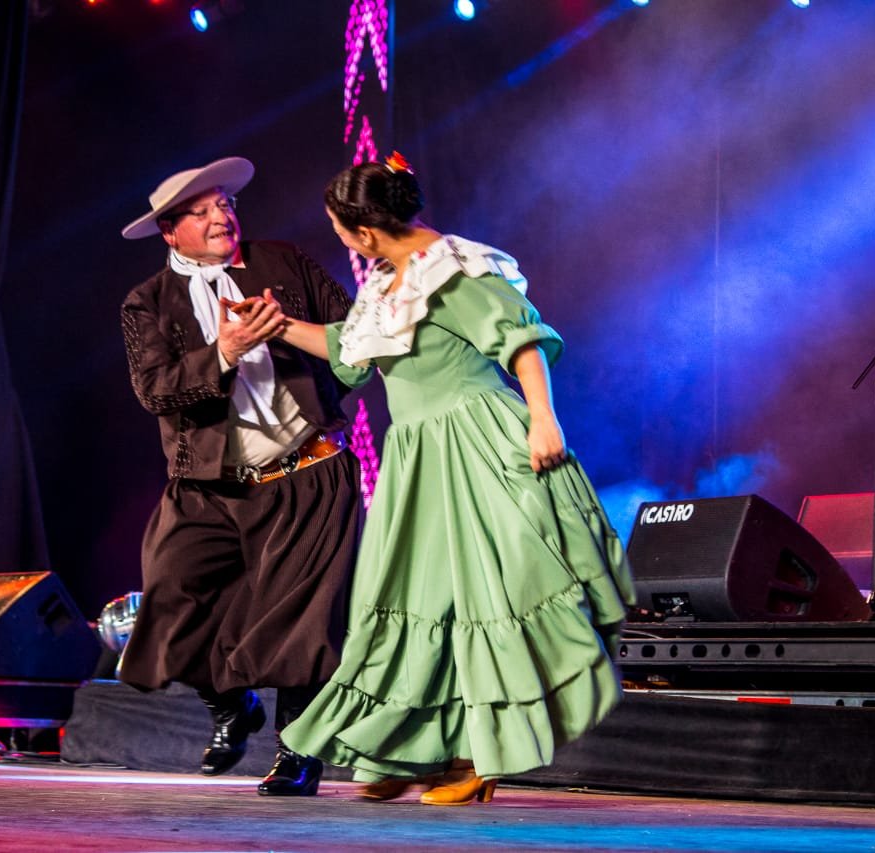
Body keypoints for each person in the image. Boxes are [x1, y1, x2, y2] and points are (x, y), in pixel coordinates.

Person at [273, 153, 636, 806]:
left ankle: (475, 754)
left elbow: (520, 341)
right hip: (416, 456)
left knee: (480, 598)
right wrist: (276, 327)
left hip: (473, 442)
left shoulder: (455, 270)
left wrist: (543, 420)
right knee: (413, 601)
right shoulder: (387, 280)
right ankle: (411, 747)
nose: (340, 240)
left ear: (364, 231)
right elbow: (352, 352)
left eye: (338, 229)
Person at [116, 156, 361, 797]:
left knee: (301, 618)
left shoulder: (284, 262)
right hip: (208, 482)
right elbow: (154, 390)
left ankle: (297, 753)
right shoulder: (147, 303)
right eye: (202, 211)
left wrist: (287, 331)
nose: (221, 215)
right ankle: (231, 708)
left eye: (223, 202)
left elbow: (354, 333)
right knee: (173, 596)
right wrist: (223, 352)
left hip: (306, 471)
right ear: (171, 231)